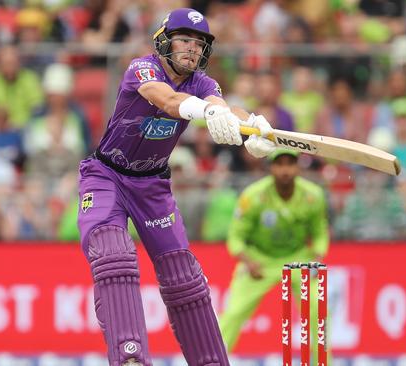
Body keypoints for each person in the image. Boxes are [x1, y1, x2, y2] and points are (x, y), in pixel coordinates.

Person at [76, 8, 277, 366]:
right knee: (114, 257)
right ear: (164, 41)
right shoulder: (143, 68)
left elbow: (220, 105)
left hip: (151, 186)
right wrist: (209, 113)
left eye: (199, 44)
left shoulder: (202, 84)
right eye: (184, 40)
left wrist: (253, 127)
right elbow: (167, 100)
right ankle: (130, 358)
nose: (192, 50)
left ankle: (211, 362)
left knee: (184, 280)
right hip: (106, 175)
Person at [219, 149, 328, 361]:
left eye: (290, 164)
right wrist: (248, 261)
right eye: (280, 164)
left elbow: (320, 233)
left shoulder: (313, 195)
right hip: (259, 259)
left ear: (298, 167)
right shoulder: (253, 196)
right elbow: (235, 237)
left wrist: (316, 259)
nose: (285, 170)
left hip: (299, 259)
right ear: (270, 168)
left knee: (318, 311)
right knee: (233, 313)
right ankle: (213, 363)